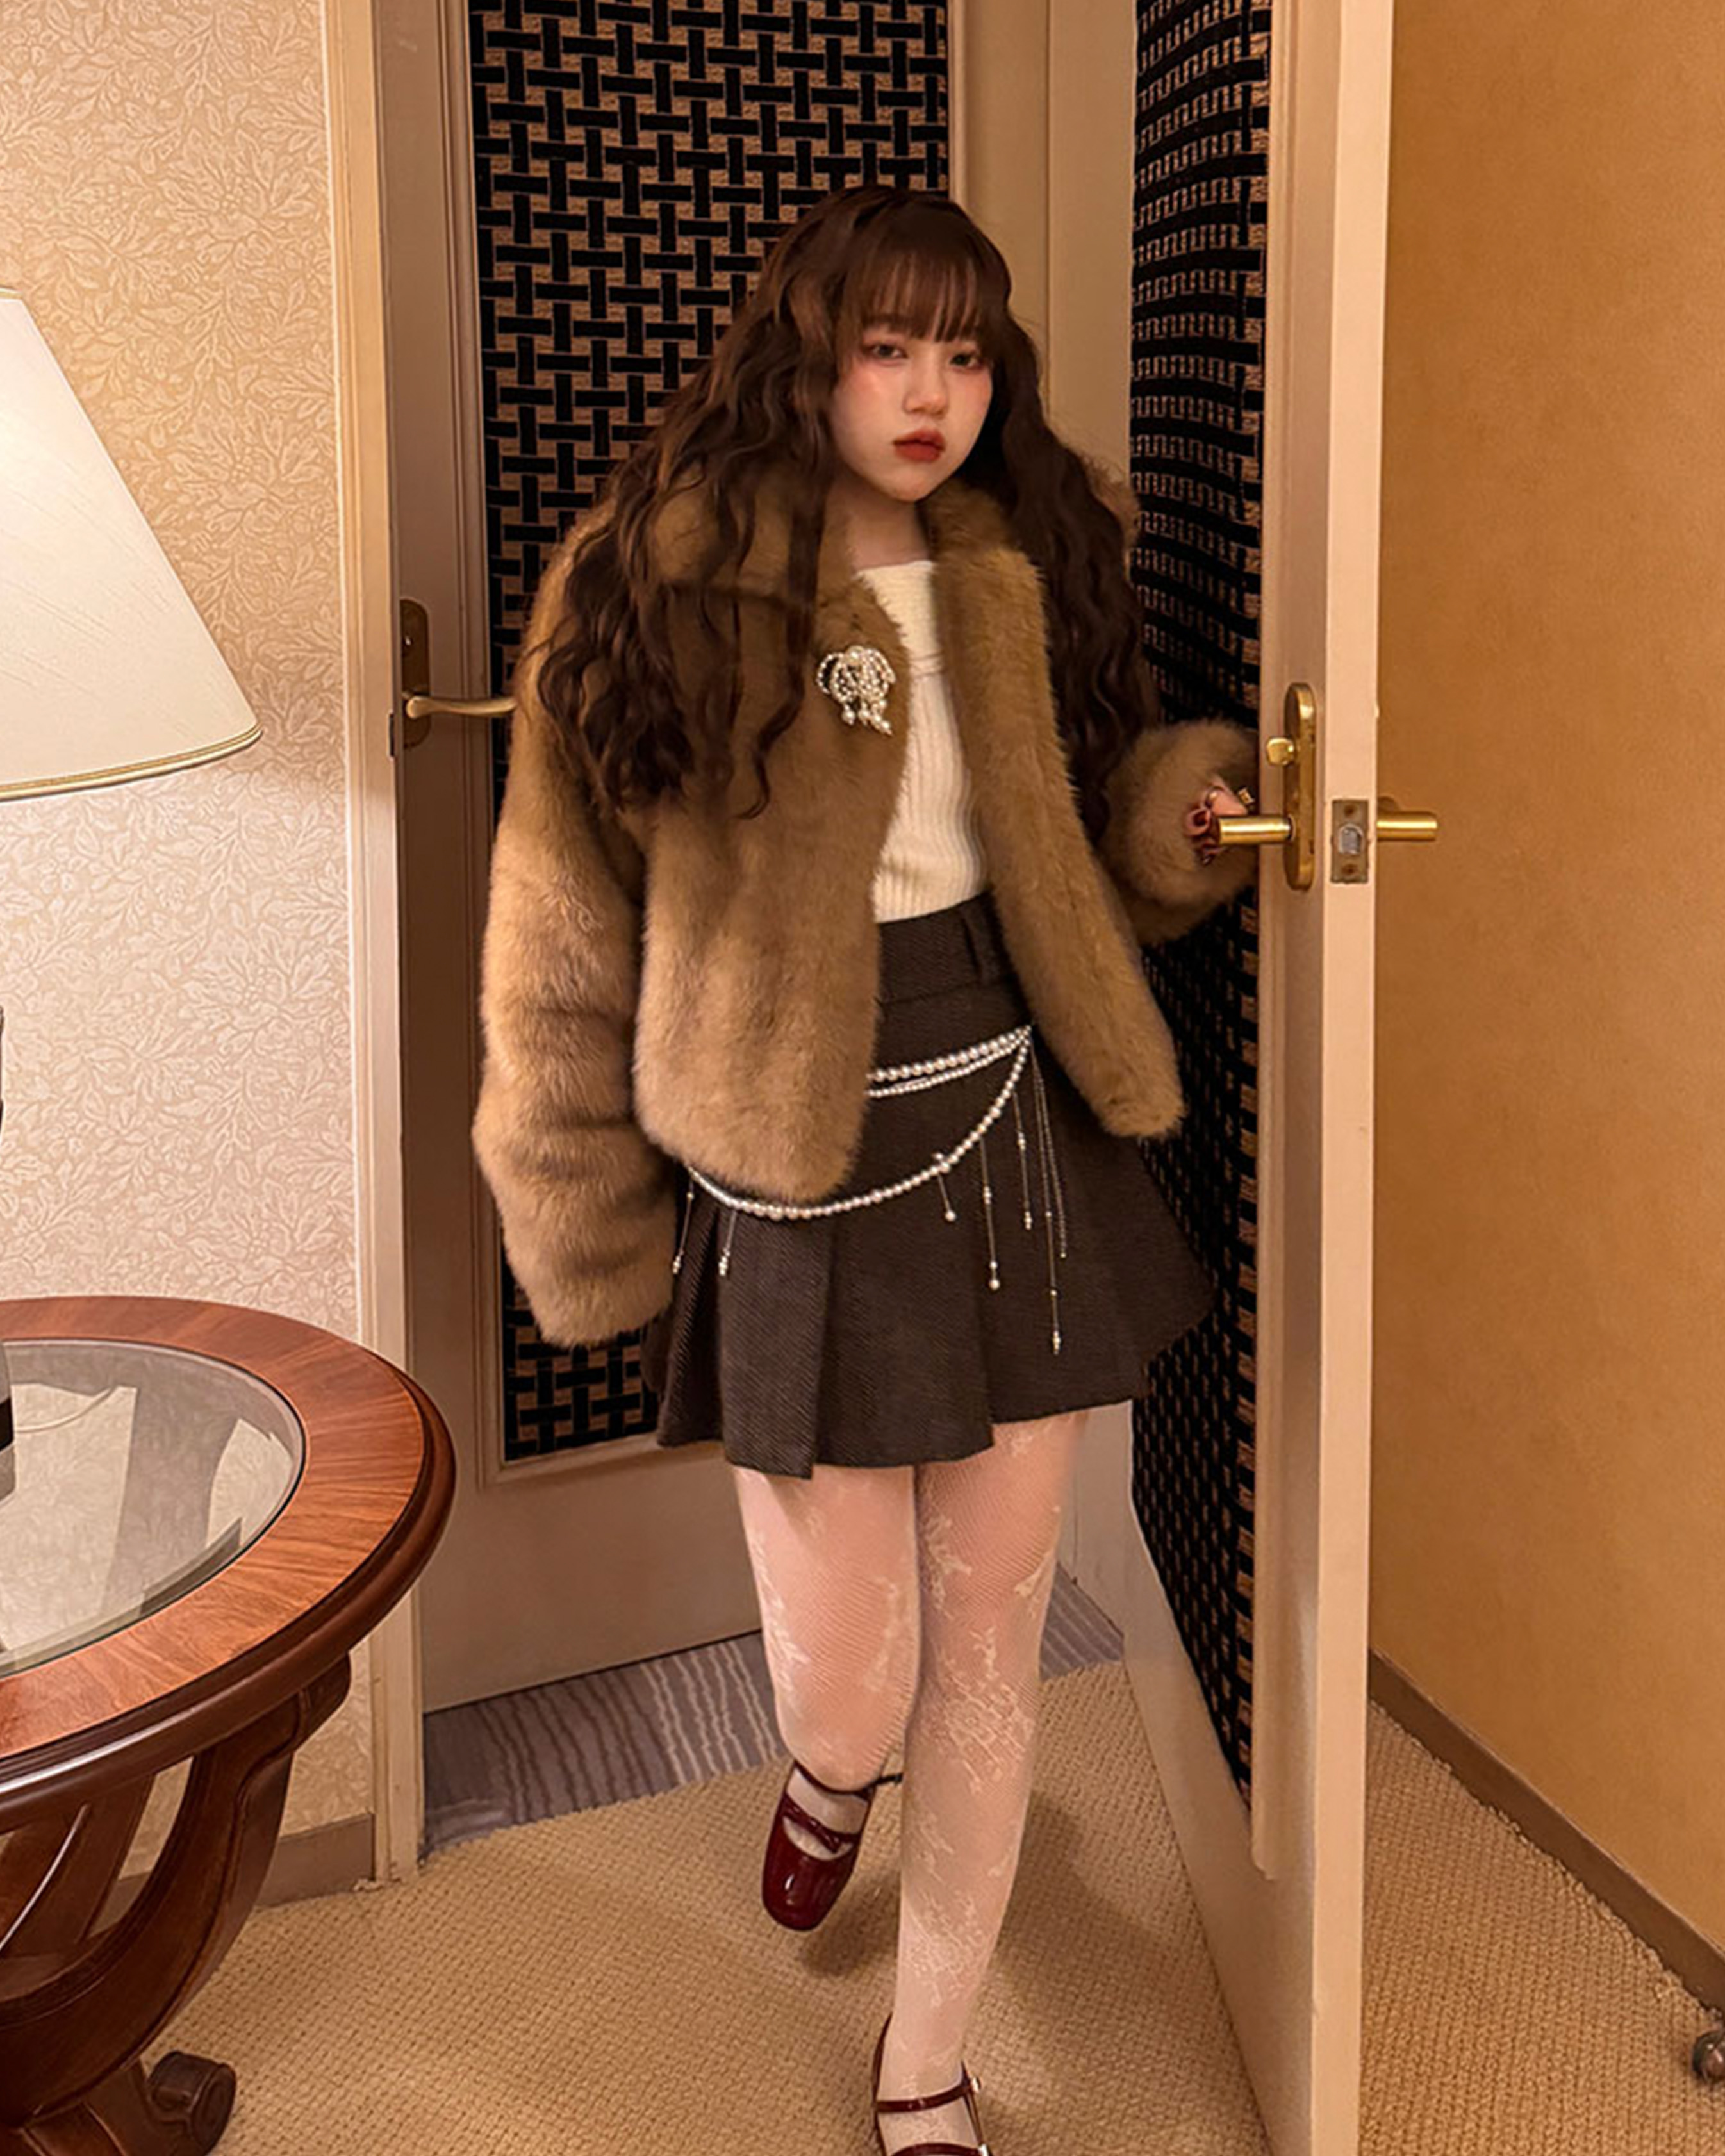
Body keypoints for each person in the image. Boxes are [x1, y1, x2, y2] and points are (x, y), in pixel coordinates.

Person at [471, 182, 1255, 2156]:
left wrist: (1182, 818)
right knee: (853, 1676)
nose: (928, 394)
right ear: (800, 356)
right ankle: (825, 1775)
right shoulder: (648, 580)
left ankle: (926, 2056)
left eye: (962, 352)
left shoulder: (1026, 551)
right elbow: (560, 932)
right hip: (790, 1169)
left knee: (987, 1653)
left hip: (1011, 1124)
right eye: (885, 347)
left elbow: (1079, 822)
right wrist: (576, 1205)